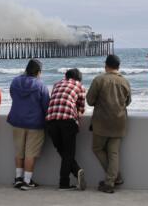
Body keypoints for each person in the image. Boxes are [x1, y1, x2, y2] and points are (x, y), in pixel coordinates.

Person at [86, 55, 131, 194]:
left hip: (101, 122)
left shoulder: (99, 80)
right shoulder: (125, 81)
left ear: (106, 65)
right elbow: (128, 102)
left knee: (97, 148)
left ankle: (113, 178)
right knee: (114, 152)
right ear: (118, 66)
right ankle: (111, 180)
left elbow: (90, 100)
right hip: (119, 122)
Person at [7, 59, 50, 191]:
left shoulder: (15, 81)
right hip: (34, 123)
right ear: (38, 72)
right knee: (30, 153)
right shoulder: (40, 85)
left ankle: (18, 179)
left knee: (19, 151)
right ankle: (27, 181)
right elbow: (46, 105)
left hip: (16, 120)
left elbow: (12, 95)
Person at [46, 68, 87, 191]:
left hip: (51, 121)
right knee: (68, 153)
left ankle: (76, 170)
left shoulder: (56, 84)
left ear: (66, 76)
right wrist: (78, 112)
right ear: (78, 78)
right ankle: (64, 183)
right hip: (67, 121)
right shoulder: (79, 86)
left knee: (62, 151)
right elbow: (81, 107)